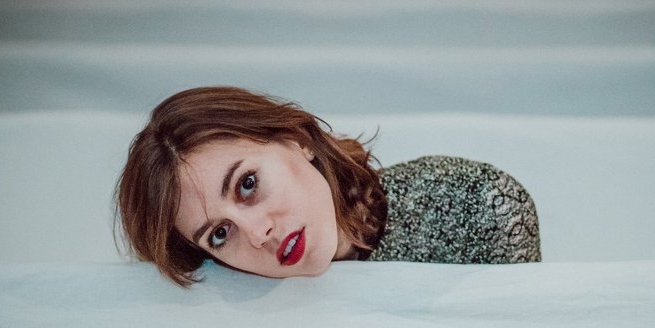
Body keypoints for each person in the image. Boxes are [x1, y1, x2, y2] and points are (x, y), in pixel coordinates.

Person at [116, 86, 540, 286]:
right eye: (220, 234)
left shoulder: (480, 204)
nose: (258, 234)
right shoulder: (231, 290)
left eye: (247, 184)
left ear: (297, 140)